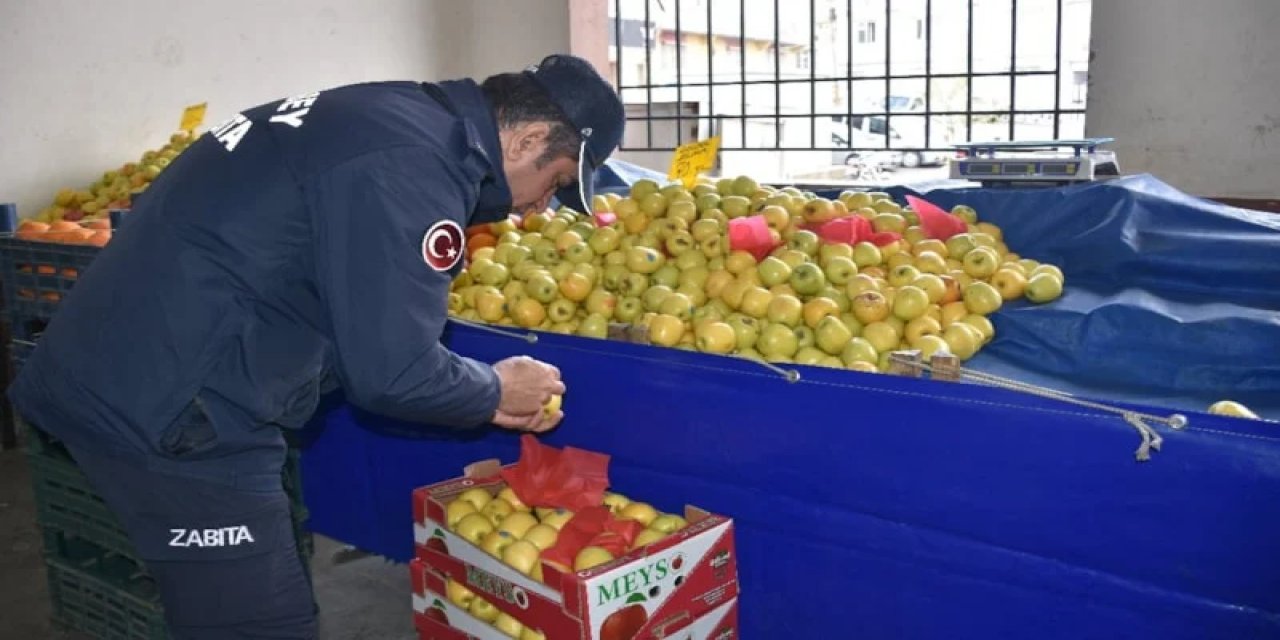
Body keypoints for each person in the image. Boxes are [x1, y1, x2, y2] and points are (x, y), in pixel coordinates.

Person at [8, 53, 625, 638]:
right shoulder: (416, 166)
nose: (540, 207)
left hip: (137, 363)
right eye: (555, 182)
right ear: (525, 141)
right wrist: (495, 389)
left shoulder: (396, 114)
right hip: (173, 406)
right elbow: (393, 371)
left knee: (230, 606)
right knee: (261, 625)